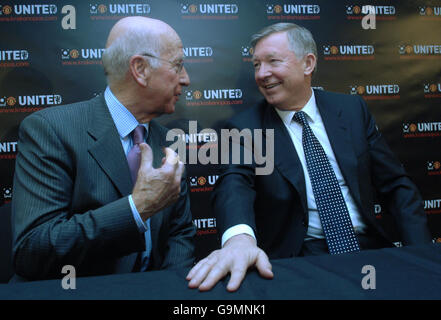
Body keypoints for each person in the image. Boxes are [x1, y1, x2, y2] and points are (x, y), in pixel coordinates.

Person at [186, 22, 432, 292]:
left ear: (308, 64)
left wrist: (421, 254)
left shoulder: (351, 110)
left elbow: (397, 186)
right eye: (256, 65)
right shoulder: (246, 127)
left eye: (272, 62)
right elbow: (234, 184)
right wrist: (239, 240)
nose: (262, 74)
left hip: (368, 249)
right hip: (299, 257)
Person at [11, 16, 195, 281]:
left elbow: (181, 233)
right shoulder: (51, 131)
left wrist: (168, 289)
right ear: (140, 69)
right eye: (178, 66)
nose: (186, 79)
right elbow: (33, 251)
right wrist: (138, 208)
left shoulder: (168, 141)